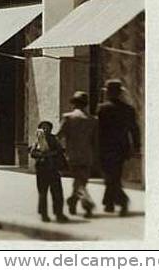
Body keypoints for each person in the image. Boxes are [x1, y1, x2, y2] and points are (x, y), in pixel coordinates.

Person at [96, 79, 141, 216]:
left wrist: (94, 146)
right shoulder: (128, 109)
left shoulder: (103, 109)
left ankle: (122, 201)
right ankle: (109, 203)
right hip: (122, 148)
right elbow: (135, 130)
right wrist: (136, 146)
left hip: (106, 147)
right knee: (114, 174)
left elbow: (99, 130)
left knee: (110, 176)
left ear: (109, 92)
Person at [57, 90, 97, 217]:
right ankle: (73, 202)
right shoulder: (93, 120)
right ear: (85, 104)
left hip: (72, 155)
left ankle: (86, 203)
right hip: (87, 155)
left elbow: (59, 135)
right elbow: (95, 140)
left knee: (79, 181)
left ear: (74, 103)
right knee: (81, 180)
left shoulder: (68, 118)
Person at [29, 120, 69, 223]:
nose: (45, 129)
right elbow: (33, 153)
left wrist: (50, 154)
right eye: (43, 127)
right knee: (43, 193)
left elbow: (59, 151)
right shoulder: (38, 140)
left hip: (53, 169)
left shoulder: (54, 139)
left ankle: (58, 213)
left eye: (47, 127)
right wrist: (42, 154)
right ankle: (43, 214)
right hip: (42, 169)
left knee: (57, 193)